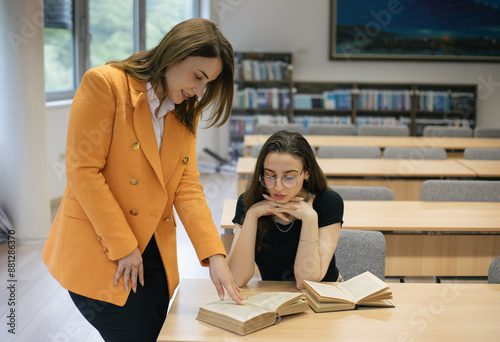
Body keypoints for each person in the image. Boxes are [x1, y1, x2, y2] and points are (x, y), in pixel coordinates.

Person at [42, 18, 244, 342]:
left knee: (157, 334)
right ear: (174, 54)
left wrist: (216, 257)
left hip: (154, 253)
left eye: (208, 83)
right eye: (198, 76)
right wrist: (123, 247)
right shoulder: (106, 85)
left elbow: (187, 188)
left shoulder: (184, 111)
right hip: (102, 247)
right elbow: (83, 171)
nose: (199, 90)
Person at [227, 130, 344, 289]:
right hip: (273, 299)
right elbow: (237, 278)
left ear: (307, 173)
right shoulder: (248, 203)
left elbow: (306, 282)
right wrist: (252, 215)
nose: (278, 187)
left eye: (289, 177)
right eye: (270, 176)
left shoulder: (328, 202)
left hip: (323, 298)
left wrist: (310, 219)